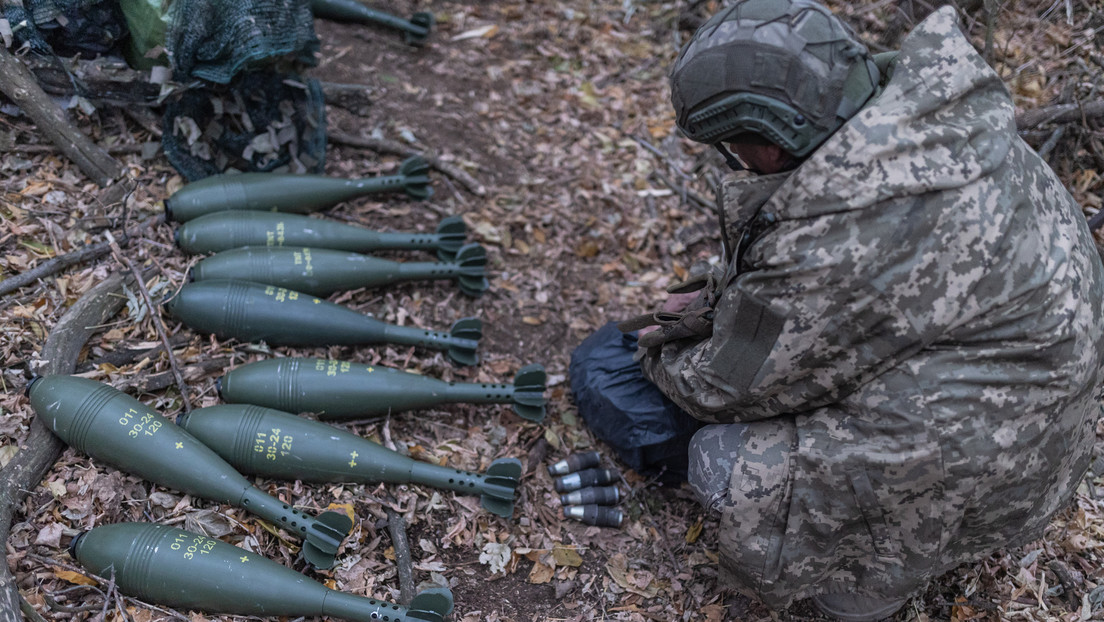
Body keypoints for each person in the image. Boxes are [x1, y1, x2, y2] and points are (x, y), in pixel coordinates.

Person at [631, 0, 1104, 620]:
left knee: (719, 460)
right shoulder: (935, 123)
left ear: (771, 148)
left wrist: (656, 348)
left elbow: (725, 388)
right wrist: (716, 299)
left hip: (992, 476)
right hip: (1049, 442)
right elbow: (835, 297)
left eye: (732, 147)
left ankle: (862, 588)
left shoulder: (839, 239)